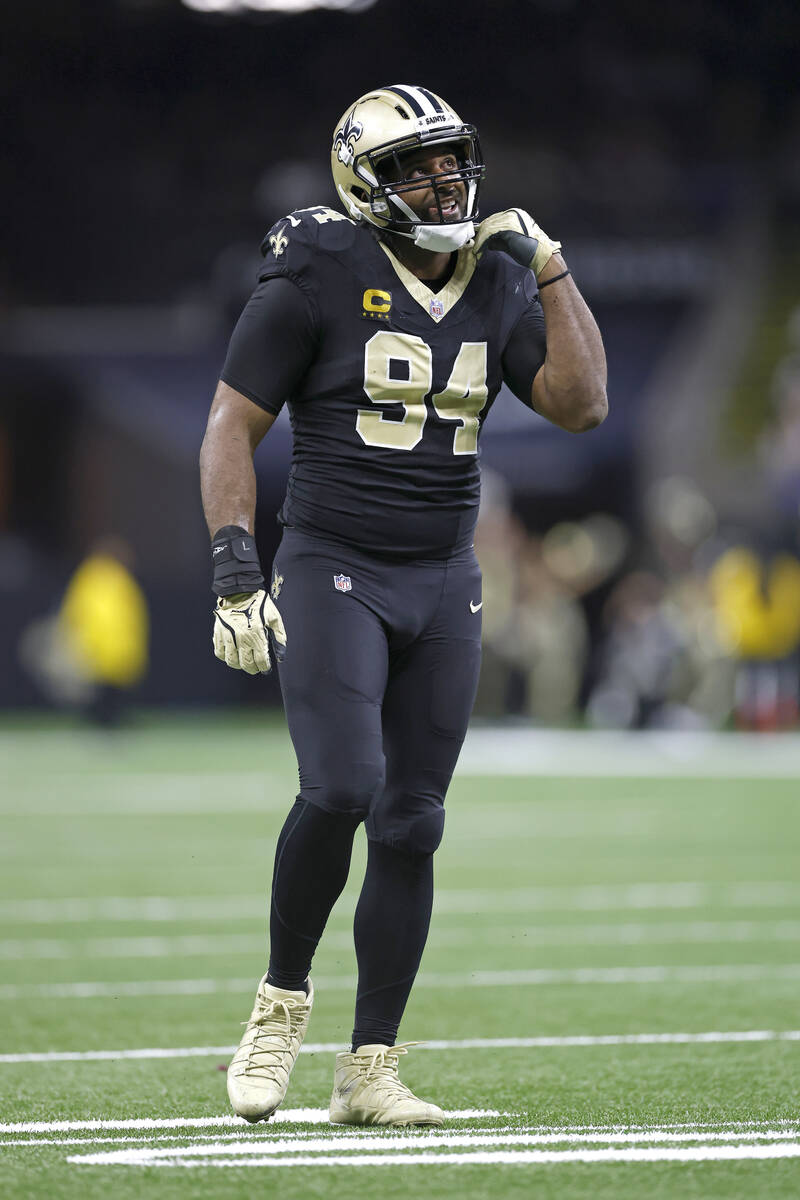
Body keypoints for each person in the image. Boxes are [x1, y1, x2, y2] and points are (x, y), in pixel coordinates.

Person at [199, 84, 607, 1128]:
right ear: (362, 184)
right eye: (415, 168)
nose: (443, 183)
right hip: (334, 562)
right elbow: (228, 427)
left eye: (450, 161)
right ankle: (279, 1007)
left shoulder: (498, 278)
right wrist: (236, 565)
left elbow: (578, 404)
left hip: (443, 578)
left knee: (412, 822)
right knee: (339, 786)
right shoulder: (318, 266)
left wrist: (550, 265)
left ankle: (368, 1065)